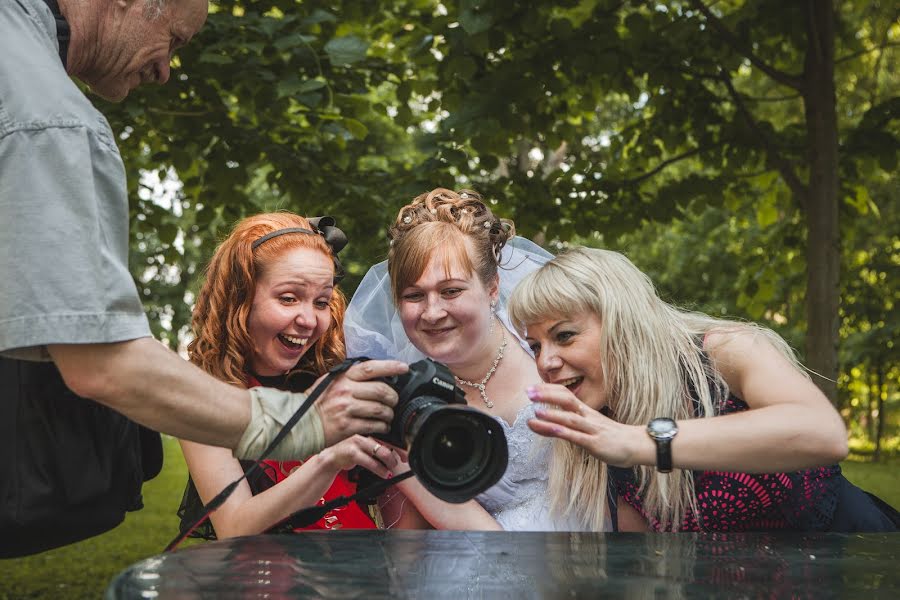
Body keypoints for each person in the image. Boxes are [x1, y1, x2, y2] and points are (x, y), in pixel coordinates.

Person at [0, 0, 404, 555]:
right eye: (175, 39)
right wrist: (305, 425)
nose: (165, 70)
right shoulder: (47, 113)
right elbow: (101, 363)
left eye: (322, 298)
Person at [506, 246, 899, 532]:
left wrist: (640, 442)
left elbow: (823, 434)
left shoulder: (724, 351)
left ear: (622, 323)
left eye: (565, 336)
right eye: (537, 346)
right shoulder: (594, 434)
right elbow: (645, 560)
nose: (545, 362)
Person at [345, 188, 594, 531]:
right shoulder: (404, 398)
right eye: (414, 296)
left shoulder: (550, 343)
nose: (432, 313)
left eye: (451, 291)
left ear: (492, 288)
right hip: (471, 564)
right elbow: (407, 541)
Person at [177, 212, 402, 538]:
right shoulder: (203, 399)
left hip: (363, 573)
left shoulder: (342, 373)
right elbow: (234, 526)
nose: (309, 319)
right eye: (288, 298)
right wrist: (328, 460)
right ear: (241, 299)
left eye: (322, 301)